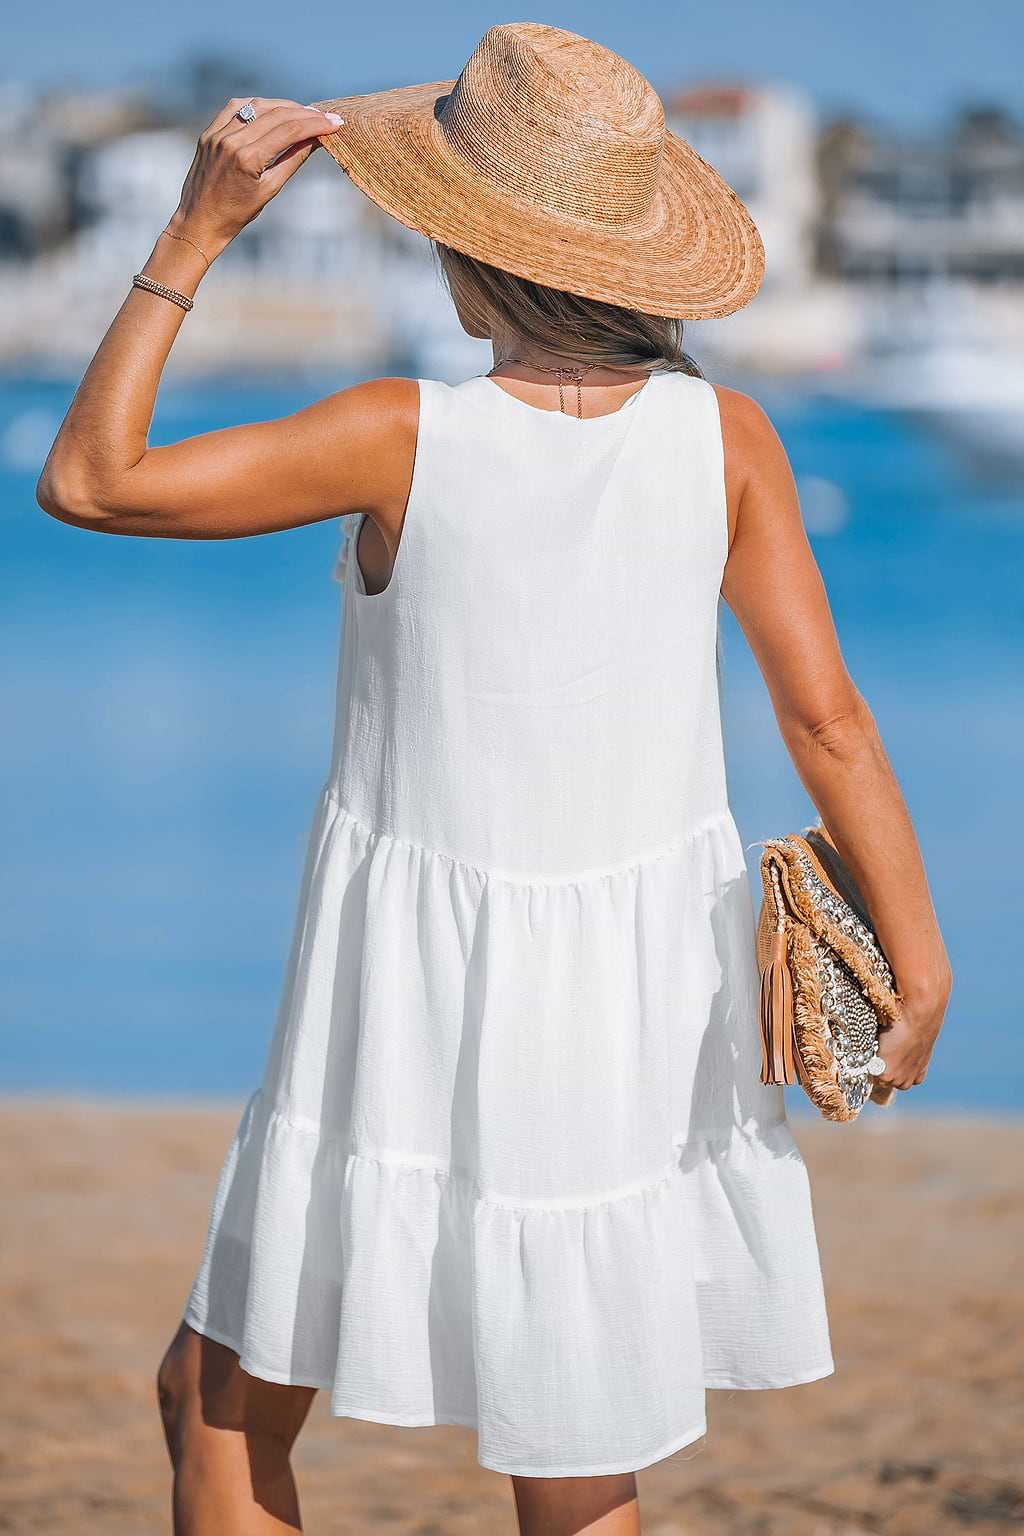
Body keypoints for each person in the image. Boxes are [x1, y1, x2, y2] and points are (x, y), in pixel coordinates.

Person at [37, 24, 951, 1536]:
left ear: (471, 245)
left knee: (217, 1402)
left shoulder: (398, 438)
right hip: (638, 997)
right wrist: (918, 966)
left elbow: (90, 482)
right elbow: (831, 723)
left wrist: (191, 236)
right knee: (579, 1457)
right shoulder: (726, 441)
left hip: (400, 994)